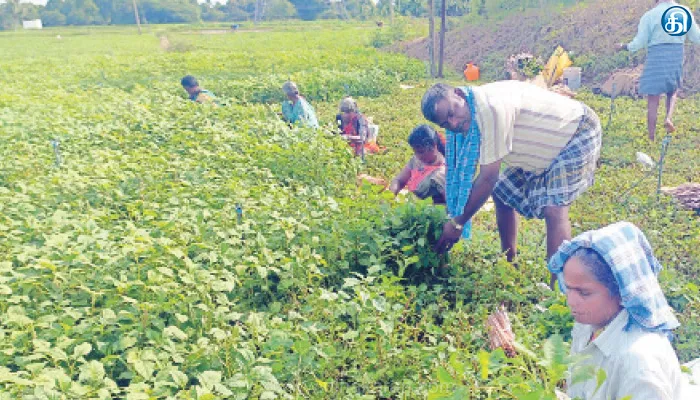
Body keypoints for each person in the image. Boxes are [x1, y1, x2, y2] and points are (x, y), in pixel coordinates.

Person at [420, 82, 602, 286]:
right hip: (539, 148)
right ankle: (509, 261)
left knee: (554, 210)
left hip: (574, 133)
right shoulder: (472, 116)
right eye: (445, 124)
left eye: (452, 113)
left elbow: (488, 177)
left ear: (459, 94)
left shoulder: (489, 110)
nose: (453, 124)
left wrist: (457, 222)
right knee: (501, 192)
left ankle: (557, 290)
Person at [547, 221, 700, 400]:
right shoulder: (590, 324)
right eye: (568, 288)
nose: (571, 301)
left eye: (584, 292)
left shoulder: (638, 362)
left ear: (622, 292)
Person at [616, 0, 700, 141]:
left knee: (653, 98)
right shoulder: (684, 12)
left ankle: (651, 137)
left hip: (656, 55)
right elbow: (696, 37)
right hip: (676, 54)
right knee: (672, 90)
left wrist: (624, 46)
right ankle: (668, 118)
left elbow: (640, 42)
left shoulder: (650, 15)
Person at [389, 124, 446, 204]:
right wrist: (390, 196)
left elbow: (451, 206)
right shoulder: (416, 160)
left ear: (434, 146)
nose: (418, 156)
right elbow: (399, 180)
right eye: (415, 152)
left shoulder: (441, 174)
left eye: (421, 152)